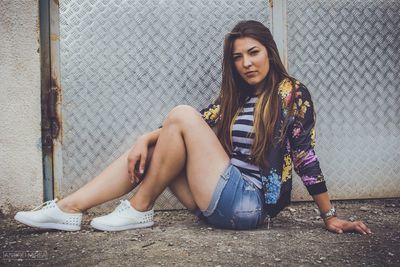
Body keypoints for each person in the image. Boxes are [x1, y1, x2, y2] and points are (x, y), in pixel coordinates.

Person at [15, 20, 371, 234]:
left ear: (269, 52)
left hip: (250, 205)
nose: (246, 63)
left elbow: (305, 156)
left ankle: (139, 208)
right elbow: (183, 129)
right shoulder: (236, 99)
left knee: (182, 114)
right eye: (237, 57)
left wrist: (330, 216)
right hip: (219, 200)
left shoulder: (289, 92)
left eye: (254, 52)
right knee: (163, 139)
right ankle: (68, 210)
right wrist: (145, 138)